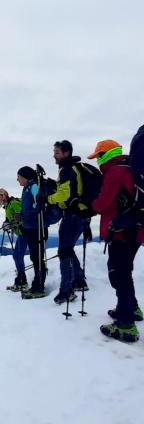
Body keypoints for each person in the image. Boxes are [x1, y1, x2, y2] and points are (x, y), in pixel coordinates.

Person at [88, 139, 144, 343]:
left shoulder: (114, 172)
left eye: (99, 156)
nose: (98, 160)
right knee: (124, 271)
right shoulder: (131, 168)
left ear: (107, 154)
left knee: (118, 274)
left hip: (121, 232)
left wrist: (91, 203)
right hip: (137, 230)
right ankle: (130, 308)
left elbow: (103, 204)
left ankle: (126, 325)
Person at [47, 140, 89, 305]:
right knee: (68, 248)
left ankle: (66, 291)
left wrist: (49, 198)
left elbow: (64, 195)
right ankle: (78, 280)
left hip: (72, 215)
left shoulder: (66, 169)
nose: (54, 155)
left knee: (63, 251)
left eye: (57, 152)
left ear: (66, 153)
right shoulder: (75, 168)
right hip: (81, 214)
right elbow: (68, 190)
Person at [17, 167, 48, 299]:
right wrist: (22, 216)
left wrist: (23, 217)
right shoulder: (28, 188)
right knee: (35, 257)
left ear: (25, 177)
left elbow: (37, 207)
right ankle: (37, 284)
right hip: (32, 227)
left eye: (19, 177)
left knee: (37, 257)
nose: (17, 179)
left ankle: (39, 286)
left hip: (37, 227)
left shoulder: (34, 187)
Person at [0, 188, 28, 291]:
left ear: (3, 196)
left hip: (25, 233)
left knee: (17, 256)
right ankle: (21, 281)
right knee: (17, 256)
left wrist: (11, 224)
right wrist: (7, 223)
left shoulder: (12, 204)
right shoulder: (8, 206)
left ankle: (22, 282)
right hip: (23, 233)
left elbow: (22, 217)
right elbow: (12, 218)